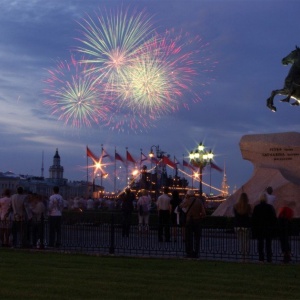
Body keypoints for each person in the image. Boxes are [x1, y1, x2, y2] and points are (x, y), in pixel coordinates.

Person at [252, 193, 278, 263]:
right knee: (268, 244)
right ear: (266, 199)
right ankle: (269, 258)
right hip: (268, 228)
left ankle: (261, 258)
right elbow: (274, 218)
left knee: (260, 244)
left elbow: (254, 219)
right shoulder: (270, 207)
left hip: (259, 229)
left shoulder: (256, 207)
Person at [180, 190, 206, 258]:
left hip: (189, 221)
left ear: (187, 195)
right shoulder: (199, 201)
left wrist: (185, 198)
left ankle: (189, 252)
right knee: (197, 238)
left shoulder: (187, 201)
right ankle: (196, 252)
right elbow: (203, 213)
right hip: (197, 220)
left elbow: (180, 206)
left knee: (189, 237)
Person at [233, 192, 252, 261]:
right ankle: (246, 256)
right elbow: (250, 215)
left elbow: (235, 216)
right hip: (246, 226)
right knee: (246, 242)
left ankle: (242, 256)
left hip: (237, 226)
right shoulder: (248, 206)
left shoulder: (235, 206)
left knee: (241, 242)